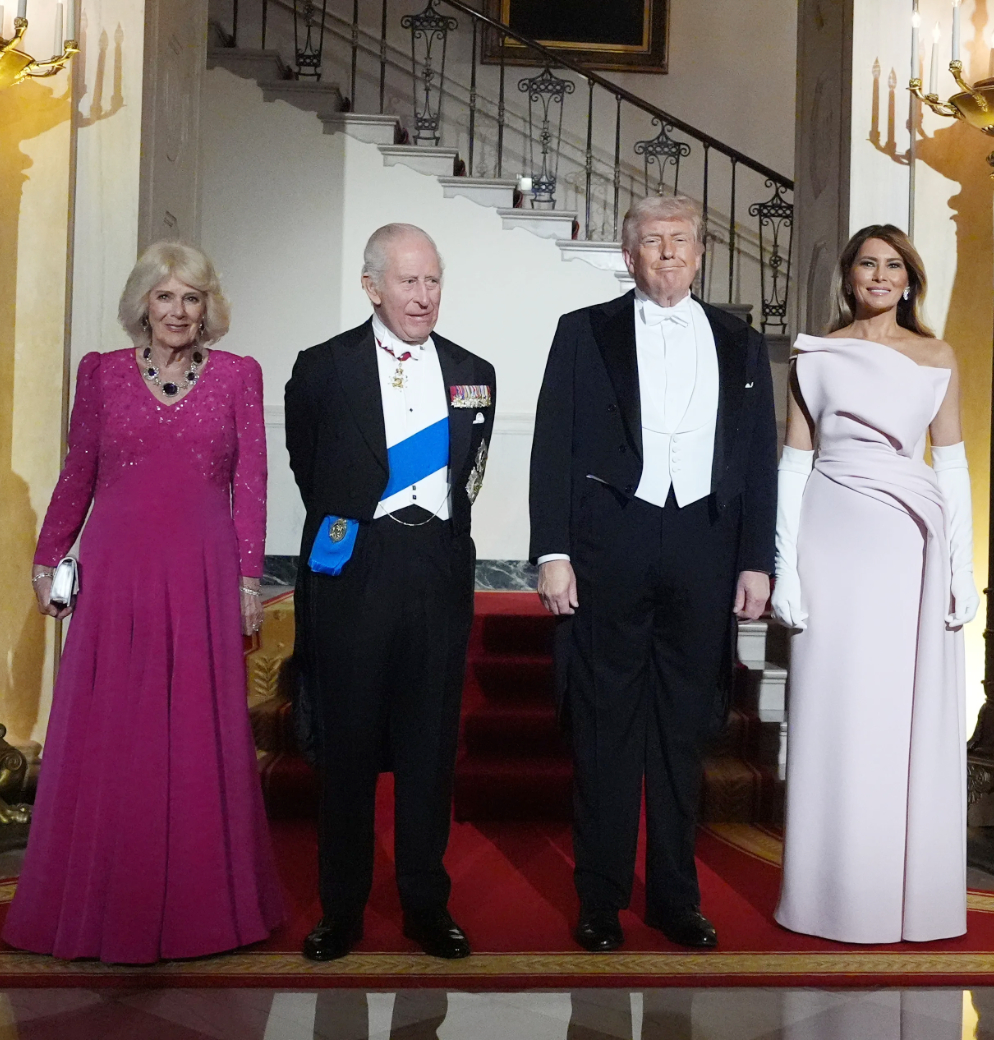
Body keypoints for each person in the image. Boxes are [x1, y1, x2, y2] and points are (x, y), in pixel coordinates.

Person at [3, 242, 284, 963]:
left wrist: (248, 582)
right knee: (111, 731)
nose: (178, 311)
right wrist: (46, 559)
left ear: (207, 307)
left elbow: (250, 487)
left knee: (195, 732)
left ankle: (201, 911)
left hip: (201, 573)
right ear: (143, 305)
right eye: (165, 297)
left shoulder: (238, 378)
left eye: (192, 297)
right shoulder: (99, 375)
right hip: (116, 574)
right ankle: (96, 902)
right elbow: (78, 474)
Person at [529, 194, 777, 952]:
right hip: (613, 544)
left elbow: (758, 456)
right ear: (628, 256)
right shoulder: (584, 332)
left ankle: (675, 897)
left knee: (683, 730)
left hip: (705, 546)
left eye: (680, 241)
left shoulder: (739, 340)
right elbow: (554, 442)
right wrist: (553, 550)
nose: (667, 253)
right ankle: (600, 900)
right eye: (651, 241)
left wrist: (756, 560)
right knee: (605, 730)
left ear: (700, 254)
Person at [285, 223, 496, 962]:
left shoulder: (476, 370)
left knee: (428, 746)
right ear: (371, 286)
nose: (423, 295)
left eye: (433, 280)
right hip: (357, 571)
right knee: (346, 746)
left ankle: (423, 902)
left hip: (436, 569)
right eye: (408, 281)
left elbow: (469, 476)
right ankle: (340, 908)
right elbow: (309, 466)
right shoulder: (322, 368)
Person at [773, 225, 976, 943]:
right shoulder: (815, 353)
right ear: (850, 276)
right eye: (868, 264)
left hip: (908, 545)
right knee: (837, 712)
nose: (881, 276)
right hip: (831, 536)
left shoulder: (936, 356)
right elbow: (793, 464)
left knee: (901, 713)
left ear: (910, 279)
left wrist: (962, 567)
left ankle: (906, 892)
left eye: (894, 266)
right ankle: (833, 894)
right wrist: (785, 568)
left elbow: (951, 464)